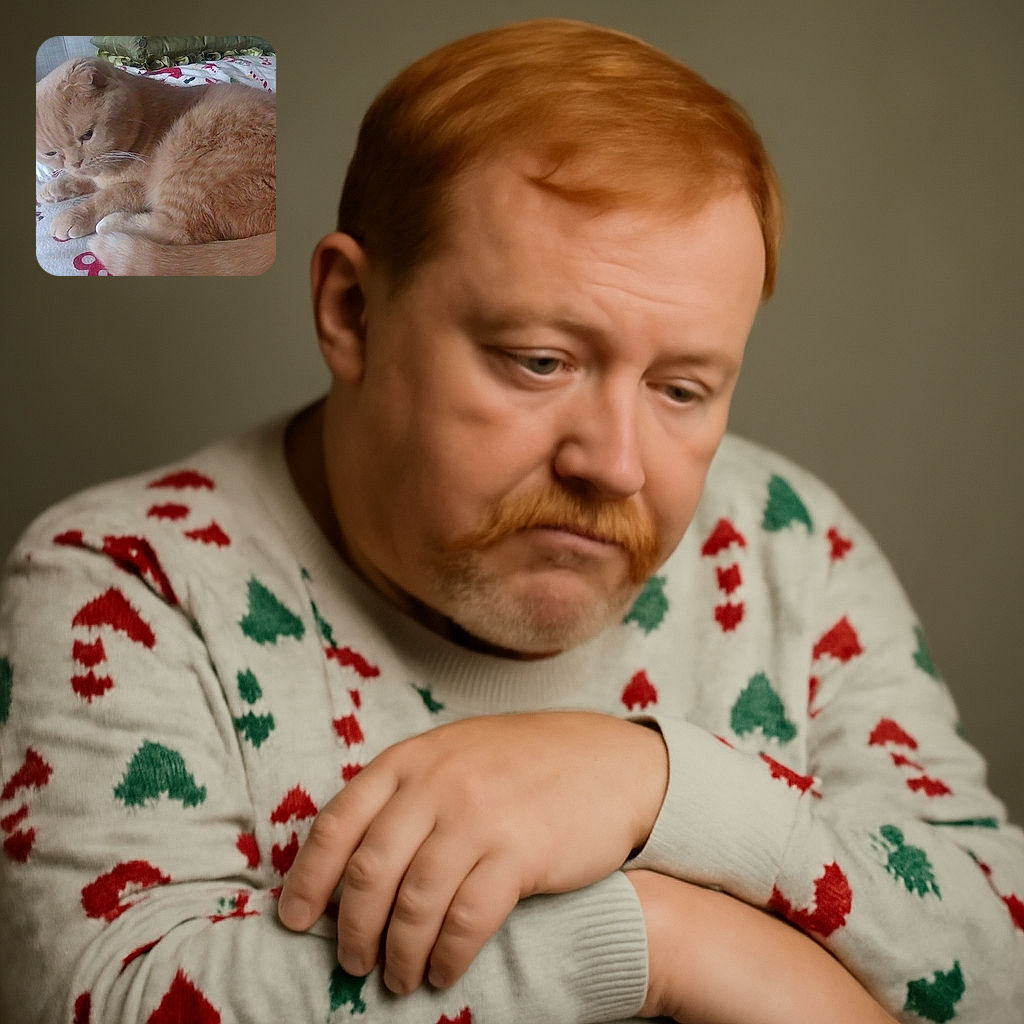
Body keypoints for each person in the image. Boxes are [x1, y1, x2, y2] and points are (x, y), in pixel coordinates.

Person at [1, 17, 1021, 1024]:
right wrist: (663, 939)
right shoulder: (124, 583)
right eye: (540, 361)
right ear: (352, 311)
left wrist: (658, 783)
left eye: (682, 389)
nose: (614, 464)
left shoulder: (788, 543)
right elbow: (110, 995)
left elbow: (999, 949)